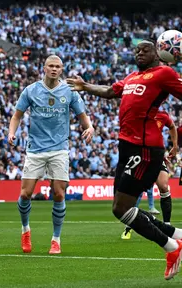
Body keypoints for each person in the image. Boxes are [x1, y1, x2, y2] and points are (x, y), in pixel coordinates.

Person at [66, 40, 182, 280]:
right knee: (121, 207)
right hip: (126, 147)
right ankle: (176, 234)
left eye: (145, 49)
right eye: (137, 50)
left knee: (121, 208)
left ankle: (171, 247)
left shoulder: (164, 73)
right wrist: (85, 86)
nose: (140, 52)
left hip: (145, 148)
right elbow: (109, 92)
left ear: (159, 53)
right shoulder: (131, 77)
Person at [8, 55, 94, 255]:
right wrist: (11, 132)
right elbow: (17, 116)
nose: (54, 69)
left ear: (61, 69)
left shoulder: (69, 91)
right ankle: (25, 230)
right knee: (24, 194)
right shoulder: (31, 90)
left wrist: (89, 127)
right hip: (35, 149)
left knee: (59, 193)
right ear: (44, 68)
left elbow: (82, 115)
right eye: (51, 66)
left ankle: (56, 239)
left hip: (59, 149)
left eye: (58, 66)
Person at [121, 110, 177, 239]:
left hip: (156, 157)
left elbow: (172, 126)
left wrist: (174, 146)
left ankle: (167, 225)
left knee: (163, 186)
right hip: (140, 157)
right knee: (135, 191)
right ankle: (129, 226)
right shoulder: (137, 114)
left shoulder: (162, 116)